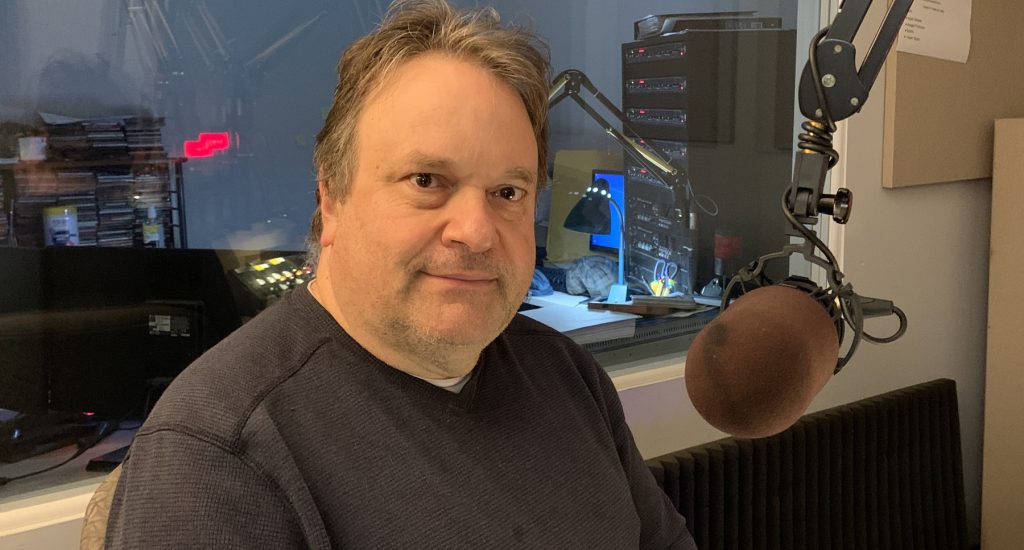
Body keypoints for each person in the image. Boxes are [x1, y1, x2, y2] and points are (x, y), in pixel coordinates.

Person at [105, 1, 697, 547]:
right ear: (332, 200)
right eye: (426, 181)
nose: (476, 230)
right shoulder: (220, 458)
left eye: (507, 191)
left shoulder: (569, 376)